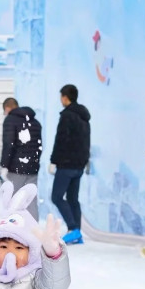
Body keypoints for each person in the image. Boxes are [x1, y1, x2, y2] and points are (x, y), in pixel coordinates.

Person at [49, 84, 91, 245]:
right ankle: (77, 233)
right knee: (73, 198)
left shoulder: (67, 116)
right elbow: (86, 140)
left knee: (57, 196)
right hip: (79, 164)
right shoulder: (84, 117)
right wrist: (85, 160)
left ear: (65, 97)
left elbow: (61, 140)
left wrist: (53, 161)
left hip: (66, 164)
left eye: (61, 96)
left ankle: (73, 228)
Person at [0, 97, 43, 220]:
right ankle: (34, 230)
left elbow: (9, 144)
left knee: (11, 199)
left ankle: (11, 231)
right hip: (33, 167)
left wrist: (4, 166)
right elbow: (38, 146)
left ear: (7, 108)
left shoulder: (10, 120)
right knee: (31, 199)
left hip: (16, 168)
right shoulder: (35, 122)